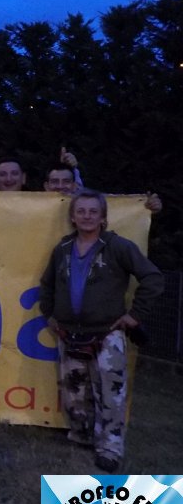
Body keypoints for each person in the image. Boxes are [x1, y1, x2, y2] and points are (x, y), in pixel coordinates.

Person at [39, 189, 164, 472]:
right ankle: (82, 435)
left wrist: (135, 316)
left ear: (103, 217)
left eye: (93, 211)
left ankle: (110, 447)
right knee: (74, 391)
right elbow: (47, 284)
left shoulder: (118, 247)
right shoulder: (62, 249)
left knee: (111, 392)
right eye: (81, 211)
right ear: (72, 216)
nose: (87, 216)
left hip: (107, 332)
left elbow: (153, 278)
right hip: (69, 333)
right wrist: (50, 314)